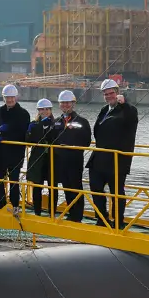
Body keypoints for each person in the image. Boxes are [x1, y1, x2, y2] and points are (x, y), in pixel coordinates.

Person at [87, 78, 139, 229]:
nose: (108, 96)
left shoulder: (128, 110)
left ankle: (118, 222)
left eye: (111, 93)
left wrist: (125, 103)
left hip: (117, 160)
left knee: (117, 192)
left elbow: (131, 119)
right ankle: (102, 218)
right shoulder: (104, 110)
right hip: (99, 158)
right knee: (95, 188)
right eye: (105, 94)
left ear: (117, 93)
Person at [51, 90, 91, 222]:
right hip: (60, 161)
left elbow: (86, 141)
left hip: (75, 160)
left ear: (73, 104)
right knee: (66, 187)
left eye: (67, 103)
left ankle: (77, 216)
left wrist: (69, 145)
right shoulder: (56, 122)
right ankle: (70, 211)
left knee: (76, 187)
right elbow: (51, 139)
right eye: (62, 103)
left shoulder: (82, 121)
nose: (65, 105)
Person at [0, 84, 31, 211]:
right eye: (7, 97)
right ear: (3, 97)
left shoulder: (23, 114)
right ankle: (1, 203)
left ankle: (15, 205)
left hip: (16, 153)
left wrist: (6, 136)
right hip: (0, 152)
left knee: (14, 180)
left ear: (16, 97)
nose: (9, 100)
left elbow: (22, 133)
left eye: (11, 97)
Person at [25, 99, 56, 216]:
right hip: (37, 159)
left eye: (47, 109)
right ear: (38, 110)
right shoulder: (34, 124)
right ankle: (37, 211)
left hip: (51, 159)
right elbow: (28, 141)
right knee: (37, 186)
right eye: (42, 109)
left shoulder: (55, 124)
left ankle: (51, 212)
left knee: (52, 186)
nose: (45, 111)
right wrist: (30, 130)